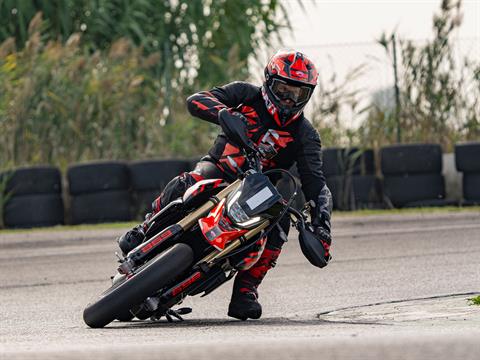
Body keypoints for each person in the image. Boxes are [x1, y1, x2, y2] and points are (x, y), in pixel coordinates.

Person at [119, 50, 333, 321]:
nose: (290, 99)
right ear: (269, 82)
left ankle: (246, 291)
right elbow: (196, 99)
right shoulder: (245, 94)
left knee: (278, 227)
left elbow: (315, 182)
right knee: (188, 181)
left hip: (259, 191)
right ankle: (145, 229)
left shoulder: (306, 135)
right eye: (284, 89)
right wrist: (223, 113)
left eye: (299, 94)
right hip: (220, 169)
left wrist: (322, 227)